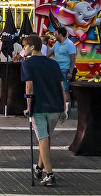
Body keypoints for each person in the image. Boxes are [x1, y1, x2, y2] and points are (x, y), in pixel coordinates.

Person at [22, 34, 67, 186]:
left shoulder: (28, 64)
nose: (24, 49)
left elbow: (29, 86)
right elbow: (61, 87)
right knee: (46, 139)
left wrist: (28, 107)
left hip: (39, 106)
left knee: (42, 139)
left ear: (32, 47)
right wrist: (64, 107)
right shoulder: (53, 63)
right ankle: (39, 168)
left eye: (25, 46)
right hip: (55, 106)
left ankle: (50, 174)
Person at [47, 26, 77, 93]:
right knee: (58, 88)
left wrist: (70, 72)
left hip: (65, 69)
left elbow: (73, 58)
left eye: (56, 34)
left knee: (64, 88)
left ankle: (66, 102)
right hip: (57, 69)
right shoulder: (57, 43)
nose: (54, 35)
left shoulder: (69, 44)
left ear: (60, 35)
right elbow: (50, 53)